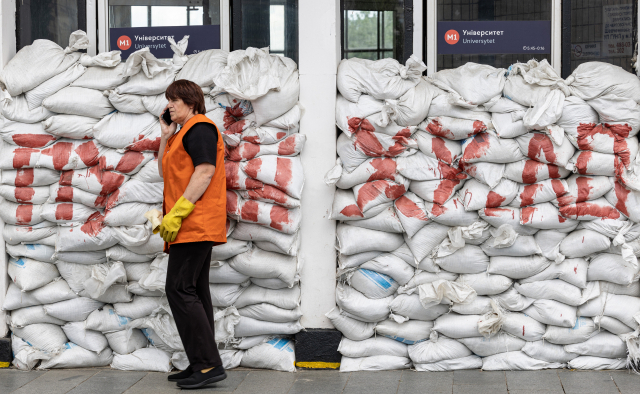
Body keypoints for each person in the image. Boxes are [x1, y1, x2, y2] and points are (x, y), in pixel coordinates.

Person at [157, 79, 227, 389]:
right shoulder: (181, 133)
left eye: (175, 100)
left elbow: (205, 171)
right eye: (168, 100)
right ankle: (201, 362)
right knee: (195, 291)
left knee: (179, 288)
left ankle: (208, 364)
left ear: (192, 102)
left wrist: (179, 211)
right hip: (187, 223)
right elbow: (164, 171)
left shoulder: (200, 127)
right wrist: (165, 136)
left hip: (195, 223)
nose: (170, 104)